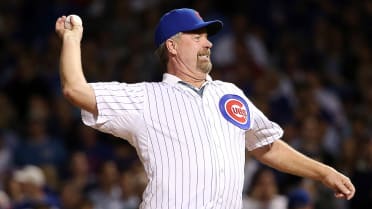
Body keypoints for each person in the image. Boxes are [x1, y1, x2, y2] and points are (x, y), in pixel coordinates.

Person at [55, 8, 355, 209]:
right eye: (196, 36)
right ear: (172, 46)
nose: (208, 43)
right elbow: (75, 90)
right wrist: (71, 39)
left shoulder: (229, 94)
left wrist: (323, 172)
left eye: (207, 36)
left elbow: (267, 146)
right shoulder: (146, 98)